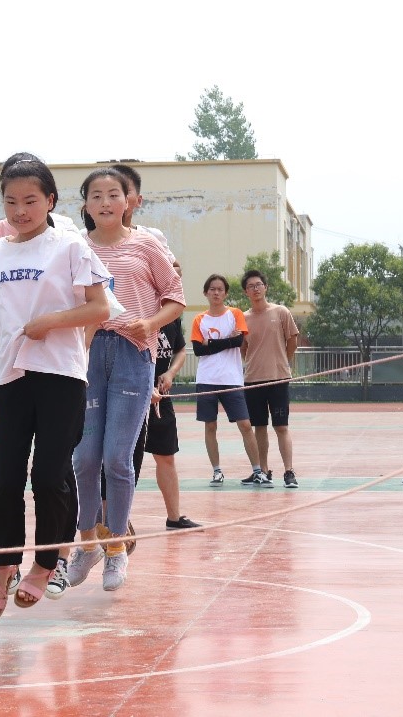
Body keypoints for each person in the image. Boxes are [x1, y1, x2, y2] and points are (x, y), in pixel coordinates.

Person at [0, 156, 110, 620]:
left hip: (60, 375)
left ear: (50, 200)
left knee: (49, 474)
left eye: (30, 200)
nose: (20, 210)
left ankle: (47, 563)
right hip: (11, 376)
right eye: (10, 201)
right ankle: (1, 565)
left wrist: (52, 321)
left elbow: (100, 308)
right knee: (6, 477)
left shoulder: (69, 247)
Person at [67, 167, 185, 592]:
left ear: (128, 201)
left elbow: (175, 298)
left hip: (134, 356)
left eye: (113, 194)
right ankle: (87, 544)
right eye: (95, 195)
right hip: (87, 355)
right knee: (84, 459)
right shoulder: (74, 247)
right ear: (85, 204)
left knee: (118, 459)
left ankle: (116, 547)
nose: (105, 202)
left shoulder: (146, 245)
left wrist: (149, 324)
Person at [191, 273, 264, 487]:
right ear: (206, 293)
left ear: (225, 293)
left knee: (245, 424)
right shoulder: (199, 319)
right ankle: (217, 471)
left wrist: (210, 343)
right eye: (212, 289)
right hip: (207, 379)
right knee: (210, 426)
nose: (216, 293)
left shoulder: (235, 314)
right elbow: (197, 350)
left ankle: (257, 471)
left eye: (220, 289)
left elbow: (238, 341)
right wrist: (226, 341)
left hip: (232, 380)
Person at [239, 270, 301, 488]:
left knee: (281, 426)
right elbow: (243, 349)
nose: (255, 289)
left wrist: (283, 361)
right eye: (251, 286)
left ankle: (289, 472)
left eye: (259, 285)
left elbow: (292, 341)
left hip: (278, 379)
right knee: (259, 427)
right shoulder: (243, 318)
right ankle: (263, 471)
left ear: (265, 287)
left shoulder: (281, 312)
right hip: (253, 380)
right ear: (246, 292)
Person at [149, 317, 201, 529]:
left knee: (166, 456)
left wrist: (170, 372)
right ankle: (115, 521)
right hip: (131, 395)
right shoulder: (136, 311)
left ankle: (174, 517)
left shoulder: (172, 318)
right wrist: (143, 386)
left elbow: (180, 350)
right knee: (123, 461)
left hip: (161, 397)